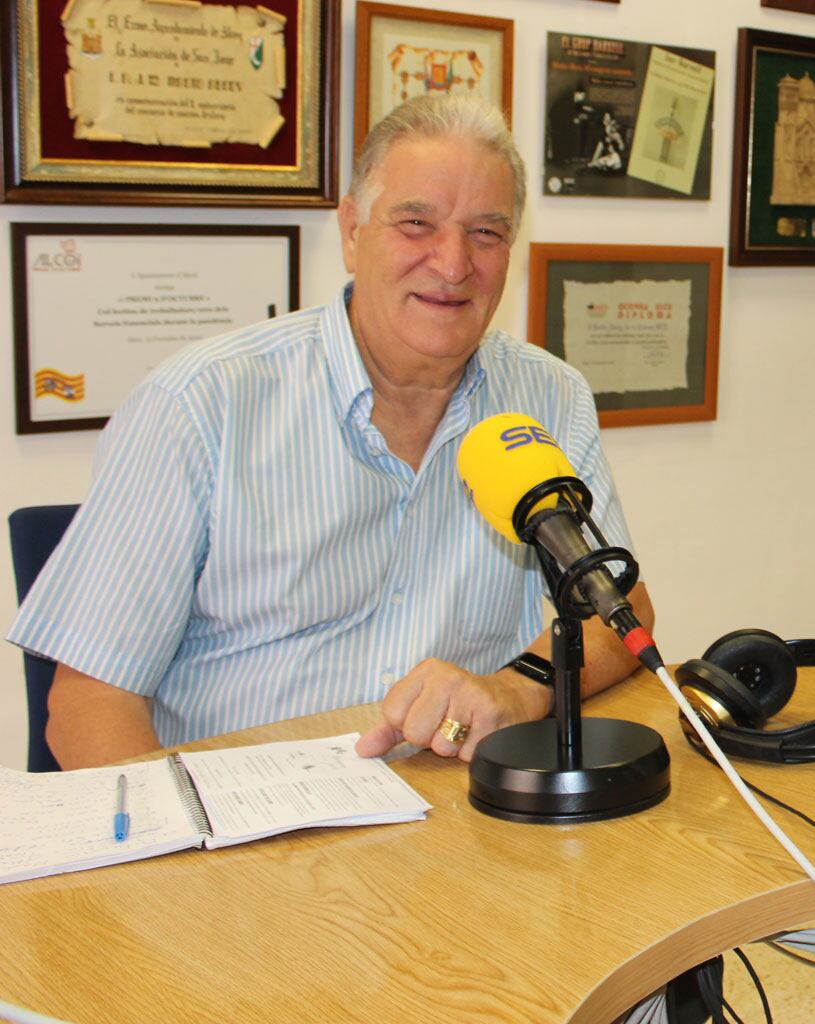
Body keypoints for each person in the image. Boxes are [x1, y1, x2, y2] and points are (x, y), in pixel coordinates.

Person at [9, 94, 652, 771]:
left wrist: (520, 690)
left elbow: (620, 612)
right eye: (416, 223)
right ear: (352, 231)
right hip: (242, 828)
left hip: (460, 819)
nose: (454, 263)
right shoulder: (201, 404)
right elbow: (86, 705)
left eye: (486, 233)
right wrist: (189, 862)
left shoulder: (549, 398)